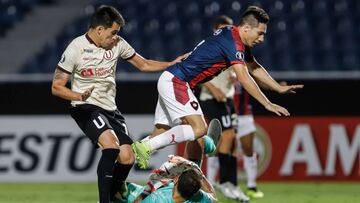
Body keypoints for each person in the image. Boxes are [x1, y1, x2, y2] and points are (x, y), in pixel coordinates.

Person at [132, 6, 303, 174]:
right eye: (260, 33)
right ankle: (147, 147)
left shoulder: (231, 33)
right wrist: (267, 103)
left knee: (161, 133)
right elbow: (244, 77)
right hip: (178, 81)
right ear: (246, 28)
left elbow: (254, 67)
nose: (262, 39)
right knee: (198, 129)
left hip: (171, 79)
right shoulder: (234, 43)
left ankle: (124, 160)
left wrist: (278, 88)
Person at [51, 5, 186, 203]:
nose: (115, 37)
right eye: (113, 33)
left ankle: (113, 197)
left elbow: (144, 64)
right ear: (99, 30)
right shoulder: (76, 48)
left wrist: (170, 64)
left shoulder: (118, 44)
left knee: (127, 158)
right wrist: (78, 96)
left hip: (110, 110)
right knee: (111, 147)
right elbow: (56, 86)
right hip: (85, 107)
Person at [114, 155, 217, 203]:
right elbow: (213, 197)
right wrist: (194, 167)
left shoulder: (157, 199)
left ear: (176, 180)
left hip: (134, 195)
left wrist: (152, 185)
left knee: (113, 184)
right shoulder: (198, 199)